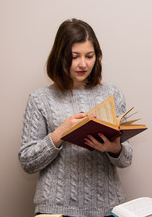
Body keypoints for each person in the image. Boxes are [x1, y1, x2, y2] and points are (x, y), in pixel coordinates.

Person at [18, 18, 133, 217]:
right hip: (55, 210)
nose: (83, 64)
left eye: (89, 56)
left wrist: (114, 148)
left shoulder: (112, 93)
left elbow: (126, 159)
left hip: (107, 209)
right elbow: (28, 162)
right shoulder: (40, 99)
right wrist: (60, 133)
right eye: (74, 56)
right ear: (60, 57)